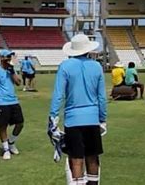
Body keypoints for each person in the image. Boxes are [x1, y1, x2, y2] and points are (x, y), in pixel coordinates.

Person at [48, 34, 107, 185]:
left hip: (73, 119)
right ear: (88, 49)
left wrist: (53, 117)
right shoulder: (97, 66)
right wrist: (102, 118)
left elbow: (58, 95)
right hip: (92, 118)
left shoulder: (65, 66)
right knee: (92, 156)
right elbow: (102, 97)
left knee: (76, 158)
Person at [0, 49, 23, 160]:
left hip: (14, 101)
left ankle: (11, 142)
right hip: (2, 102)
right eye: (7, 57)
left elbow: (18, 83)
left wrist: (12, 72)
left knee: (20, 123)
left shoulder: (11, 70)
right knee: (3, 126)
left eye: (10, 57)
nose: (9, 59)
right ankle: (6, 149)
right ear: (1, 58)